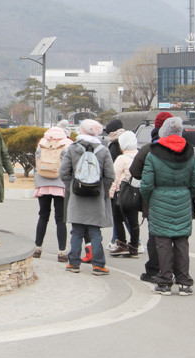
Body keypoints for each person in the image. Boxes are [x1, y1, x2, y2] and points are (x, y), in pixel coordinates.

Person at [139, 116, 195, 296]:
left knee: (163, 242)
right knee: (182, 241)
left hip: (159, 200)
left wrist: (152, 199)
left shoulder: (153, 153)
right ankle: (184, 282)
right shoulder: (189, 152)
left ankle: (165, 282)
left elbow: (146, 185)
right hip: (183, 199)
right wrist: (189, 196)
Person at [59, 119, 115, 275]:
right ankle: (98, 265)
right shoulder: (103, 151)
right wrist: (100, 190)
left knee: (76, 231)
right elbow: (110, 175)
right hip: (96, 198)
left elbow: (63, 173)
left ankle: (73, 264)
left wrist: (73, 187)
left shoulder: (73, 149)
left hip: (76, 197)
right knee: (95, 232)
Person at [130, 111, 173, 283]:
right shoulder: (186, 148)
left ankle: (154, 270)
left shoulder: (149, 149)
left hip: (154, 200)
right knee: (178, 237)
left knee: (156, 236)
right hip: (180, 202)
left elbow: (134, 171)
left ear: (156, 127)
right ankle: (177, 272)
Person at [33, 126, 70, 262]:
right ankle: (62, 252)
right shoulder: (67, 143)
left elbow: (37, 163)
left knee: (43, 216)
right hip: (59, 184)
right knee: (60, 219)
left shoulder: (42, 143)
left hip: (43, 183)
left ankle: (37, 248)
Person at [108, 130, 141, 258]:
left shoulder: (121, 158)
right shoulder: (139, 156)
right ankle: (134, 247)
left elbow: (114, 177)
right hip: (135, 194)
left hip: (121, 193)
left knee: (117, 218)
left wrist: (111, 194)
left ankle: (121, 243)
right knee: (133, 221)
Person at [102, 118, 125, 251]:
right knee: (122, 215)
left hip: (117, 185)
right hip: (128, 185)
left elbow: (112, 167)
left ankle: (133, 241)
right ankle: (115, 239)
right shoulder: (127, 140)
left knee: (119, 215)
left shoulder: (114, 145)